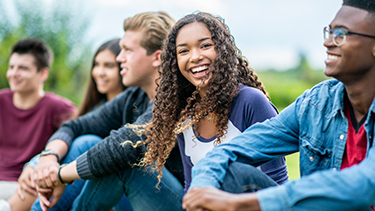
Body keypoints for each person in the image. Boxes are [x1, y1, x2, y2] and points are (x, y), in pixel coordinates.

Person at [36, 11, 289, 211]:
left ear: (222, 50)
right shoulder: (183, 112)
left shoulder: (250, 102)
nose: (195, 56)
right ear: (174, 60)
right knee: (114, 154)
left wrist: (59, 175)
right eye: (184, 51)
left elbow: (275, 187)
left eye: (205, 46)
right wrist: (47, 161)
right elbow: (191, 187)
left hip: (241, 207)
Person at [182, 0, 375, 210]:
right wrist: (202, 188)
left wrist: (246, 204)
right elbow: (229, 151)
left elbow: (363, 185)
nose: (328, 43)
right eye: (329, 32)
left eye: (341, 34)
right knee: (228, 172)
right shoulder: (316, 104)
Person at [32, 11, 177, 211]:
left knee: (126, 160)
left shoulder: (174, 98)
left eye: (127, 50)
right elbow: (76, 126)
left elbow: (124, 145)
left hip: (178, 201)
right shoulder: (134, 96)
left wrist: (60, 175)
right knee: (87, 142)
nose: (120, 58)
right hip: (136, 198)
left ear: (157, 58)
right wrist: (48, 158)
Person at [4, 38, 128, 211]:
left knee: (85, 143)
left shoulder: (132, 107)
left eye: (108, 66)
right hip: (85, 185)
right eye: (96, 65)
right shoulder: (95, 111)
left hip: (122, 190)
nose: (99, 72)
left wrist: (57, 174)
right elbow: (70, 131)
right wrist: (36, 164)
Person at [0, 38, 76, 202]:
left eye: (23, 68)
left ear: (43, 74)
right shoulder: (1, 100)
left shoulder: (60, 108)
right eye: (11, 67)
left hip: (26, 185)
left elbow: (76, 140)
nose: (14, 73)